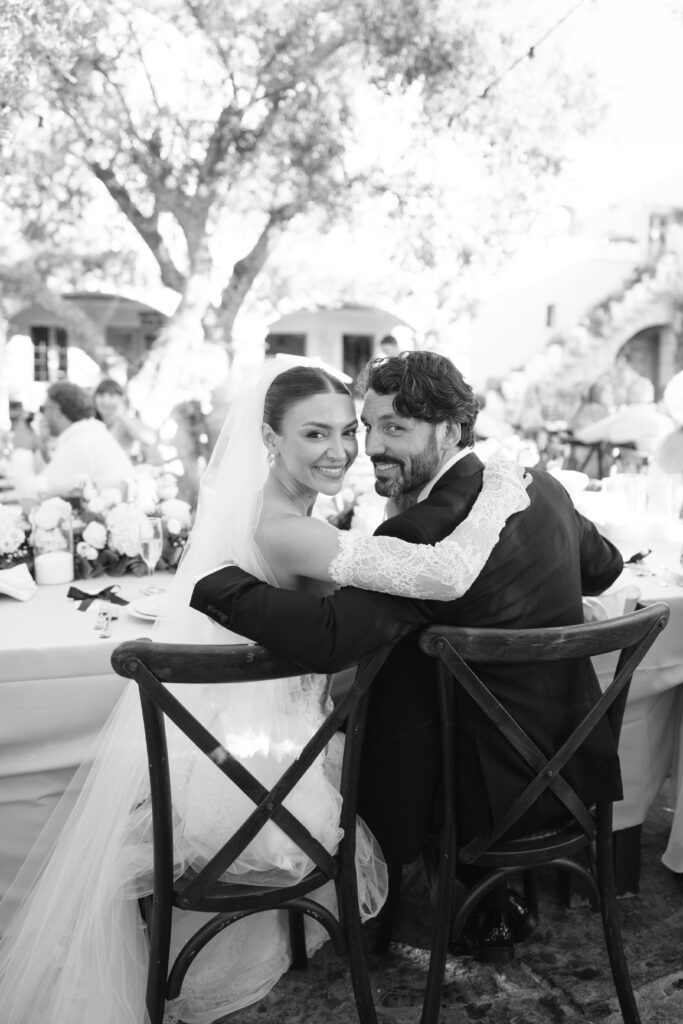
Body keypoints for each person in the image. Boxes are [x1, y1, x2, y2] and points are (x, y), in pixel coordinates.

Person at [0, 356, 529, 1024]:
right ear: (271, 441)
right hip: (261, 780)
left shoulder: (284, 512)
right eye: (314, 434)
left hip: (255, 755)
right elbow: (438, 577)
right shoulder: (284, 529)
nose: (342, 450)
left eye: (347, 432)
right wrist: (499, 495)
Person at [190, 350, 625, 963]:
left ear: (449, 430)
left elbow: (333, 636)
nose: (370, 447)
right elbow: (605, 569)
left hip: (474, 797)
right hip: (572, 769)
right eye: (368, 427)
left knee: (366, 707)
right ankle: (488, 902)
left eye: (395, 428)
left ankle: (383, 901)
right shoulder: (539, 485)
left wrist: (216, 583)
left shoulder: (421, 530)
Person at [13, 381, 134, 500]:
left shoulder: (80, 443)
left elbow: (30, 497)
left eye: (44, 409)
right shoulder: (87, 434)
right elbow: (54, 484)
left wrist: (22, 449)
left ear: (56, 410)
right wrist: (40, 450)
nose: (43, 416)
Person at [93, 378, 161, 465]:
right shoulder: (93, 423)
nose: (106, 401)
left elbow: (150, 438)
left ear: (121, 399)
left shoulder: (125, 423)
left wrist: (121, 415)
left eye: (111, 395)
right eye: (101, 395)